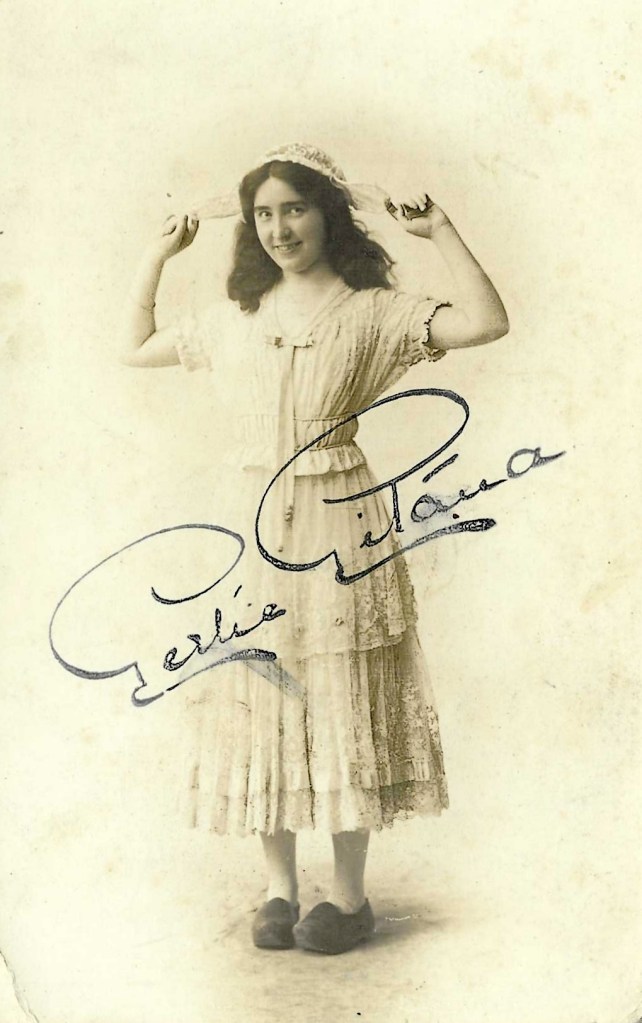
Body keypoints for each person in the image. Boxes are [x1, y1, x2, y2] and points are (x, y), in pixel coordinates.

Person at [121, 142, 509, 955]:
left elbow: (485, 322)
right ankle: (277, 890)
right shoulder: (238, 316)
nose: (277, 227)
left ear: (327, 212)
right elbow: (137, 343)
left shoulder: (372, 310)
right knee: (263, 687)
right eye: (263, 212)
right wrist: (159, 254)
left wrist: (440, 232)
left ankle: (349, 898)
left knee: (339, 690)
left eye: (294, 207)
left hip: (341, 515)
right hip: (256, 518)